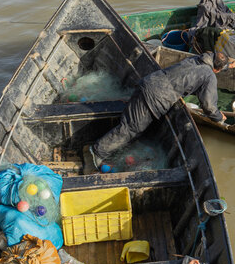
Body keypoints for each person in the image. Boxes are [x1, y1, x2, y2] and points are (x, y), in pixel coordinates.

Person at [85, 52, 226, 173]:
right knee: (130, 128)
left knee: (130, 125)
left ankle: (104, 150)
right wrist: (219, 117)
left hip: (149, 82)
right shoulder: (209, 75)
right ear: (217, 70)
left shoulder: (196, 59)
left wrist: (230, 64)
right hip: (155, 98)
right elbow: (208, 106)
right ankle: (96, 152)